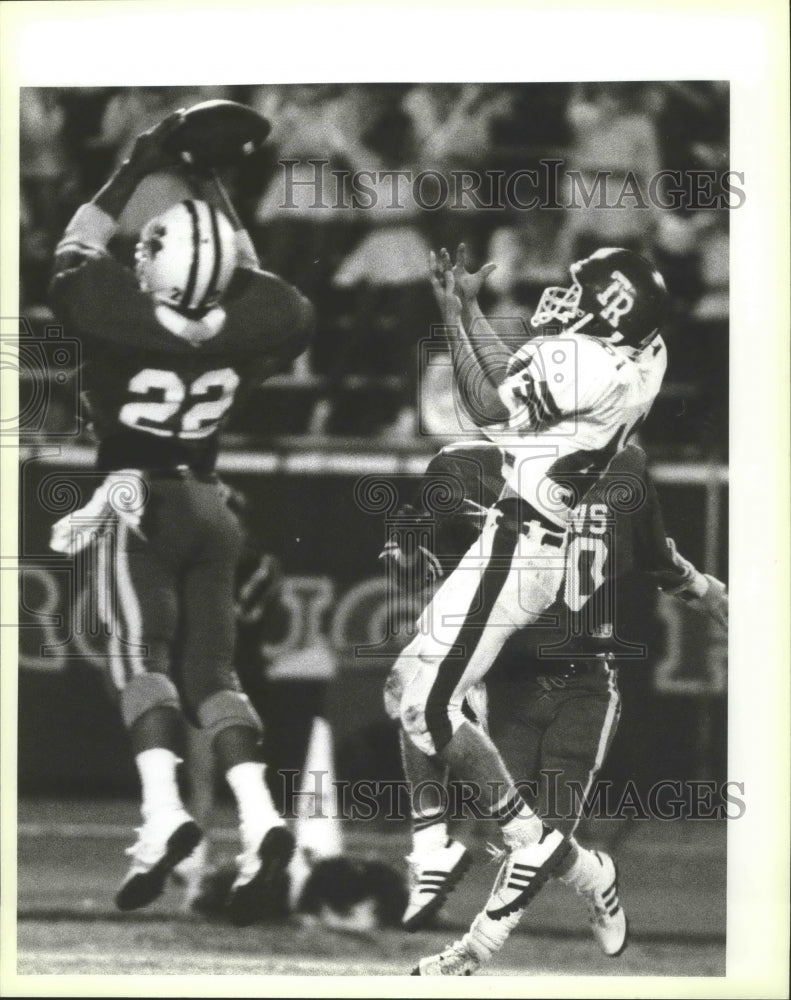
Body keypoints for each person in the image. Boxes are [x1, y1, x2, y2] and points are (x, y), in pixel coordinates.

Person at [47, 112, 315, 926]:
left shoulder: (115, 317)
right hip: (211, 505)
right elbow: (262, 283)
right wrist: (211, 184)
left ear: (158, 266)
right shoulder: (258, 323)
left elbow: (77, 244)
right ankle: (262, 813)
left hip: (139, 500)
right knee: (215, 678)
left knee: (136, 657)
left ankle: (163, 811)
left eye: (152, 243)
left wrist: (136, 166)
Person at [386, 241, 671, 954]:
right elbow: (516, 378)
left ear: (608, 313)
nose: (564, 295)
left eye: (583, 291)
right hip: (525, 530)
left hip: (521, 541)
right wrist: (468, 310)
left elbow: (484, 400)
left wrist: (452, 318)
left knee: (428, 704)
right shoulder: (636, 357)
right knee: (407, 681)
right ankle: (571, 866)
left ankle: (514, 838)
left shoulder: (585, 361)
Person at [380, 439, 727, 974]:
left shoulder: (603, 464)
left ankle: (473, 951)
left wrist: (706, 590)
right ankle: (595, 875)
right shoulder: (484, 466)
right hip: (515, 679)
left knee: (539, 839)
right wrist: (705, 590)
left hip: (586, 681)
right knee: (518, 833)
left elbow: (654, 553)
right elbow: (437, 569)